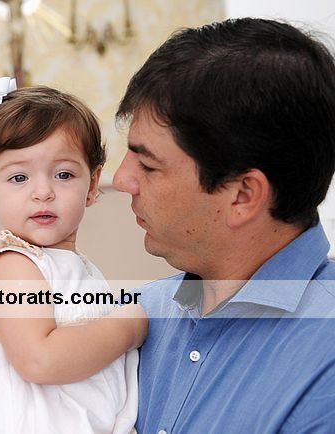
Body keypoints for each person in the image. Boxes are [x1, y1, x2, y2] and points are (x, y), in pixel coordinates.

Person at [112, 18, 335, 433]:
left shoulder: (325, 359)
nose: (122, 179)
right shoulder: (136, 314)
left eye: (148, 165)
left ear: (243, 195)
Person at [0, 77, 147, 434]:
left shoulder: (77, 268)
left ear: (92, 185)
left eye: (63, 174)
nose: (43, 192)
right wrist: (127, 328)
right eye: (19, 178)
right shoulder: (13, 266)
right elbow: (38, 359)